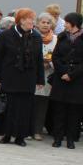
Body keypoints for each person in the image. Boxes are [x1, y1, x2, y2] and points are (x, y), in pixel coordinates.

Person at [0, 8, 44, 147]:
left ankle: (21, 136)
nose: (32, 22)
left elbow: (39, 58)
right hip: (10, 76)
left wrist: (40, 79)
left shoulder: (36, 37)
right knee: (10, 107)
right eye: (29, 19)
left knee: (25, 108)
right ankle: (7, 134)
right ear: (21, 20)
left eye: (33, 19)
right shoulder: (6, 35)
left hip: (28, 77)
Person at [49, 12, 83, 149]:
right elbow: (55, 57)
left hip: (77, 79)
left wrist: (72, 74)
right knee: (59, 110)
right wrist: (63, 72)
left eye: (67, 22)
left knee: (74, 111)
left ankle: (71, 138)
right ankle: (57, 137)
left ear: (74, 23)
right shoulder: (62, 37)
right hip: (61, 78)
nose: (65, 25)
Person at [33, 12, 58, 140]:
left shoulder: (55, 39)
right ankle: (27, 130)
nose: (45, 25)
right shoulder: (32, 36)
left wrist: (50, 62)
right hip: (33, 74)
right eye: (43, 22)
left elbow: (58, 56)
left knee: (42, 105)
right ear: (37, 24)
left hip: (47, 75)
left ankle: (37, 130)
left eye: (48, 23)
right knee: (30, 104)